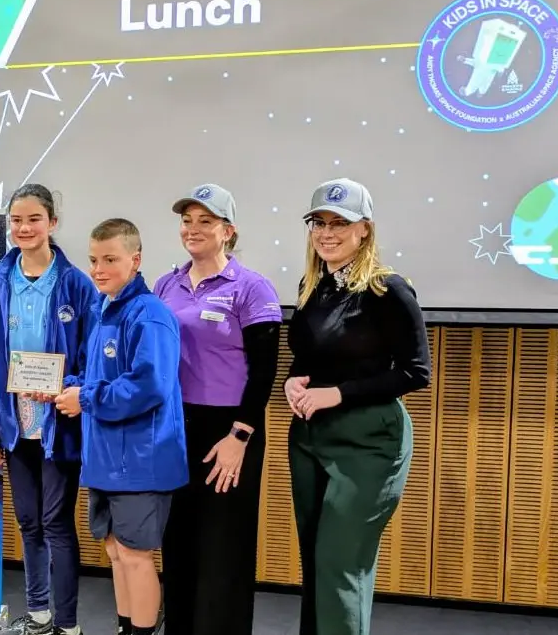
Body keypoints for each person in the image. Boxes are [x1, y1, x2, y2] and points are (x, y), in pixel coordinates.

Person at [284, 179, 430, 635]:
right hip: (310, 437)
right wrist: (294, 380)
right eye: (319, 223)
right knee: (315, 560)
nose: (327, 232)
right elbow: (307, 358)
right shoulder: (314, 285)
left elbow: (415, 372)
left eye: (340, 223)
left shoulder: (389, 290)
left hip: (369, 441)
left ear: (364, 229)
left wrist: (338, 393)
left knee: (339, 563)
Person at [0, 184, 98, 635]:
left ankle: (67, 624)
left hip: (59, 424)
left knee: (56, 523)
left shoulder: (77, 285)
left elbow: (93, 357)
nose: (24, 228)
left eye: (34, 220)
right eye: (17, 220)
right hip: (13, 424)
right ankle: (39, 614)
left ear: (52, 223)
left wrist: (71, 387)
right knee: (28, 520)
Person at [154, 184, 282, 635]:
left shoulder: (252, 288)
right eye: (187, 221)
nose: (193, 229)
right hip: (177, 428)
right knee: (180, 540)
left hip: (230, 430)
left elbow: (265, 370)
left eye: (205, 221)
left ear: (228, 231)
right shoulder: (165, 285)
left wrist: (240, 436)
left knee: (223, 545)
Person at [53, 218, 187, 635]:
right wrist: (65, 388)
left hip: (141, 461)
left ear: (136, 260)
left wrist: (87, 399)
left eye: (110, 259)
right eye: (94, 260)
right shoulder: (103, 309)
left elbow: (149, 386)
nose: (98, 269)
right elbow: (97, 375)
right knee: (115, 551)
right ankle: (127, 628)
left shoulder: (149, 315)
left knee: (135, 555)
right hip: (106, 457)